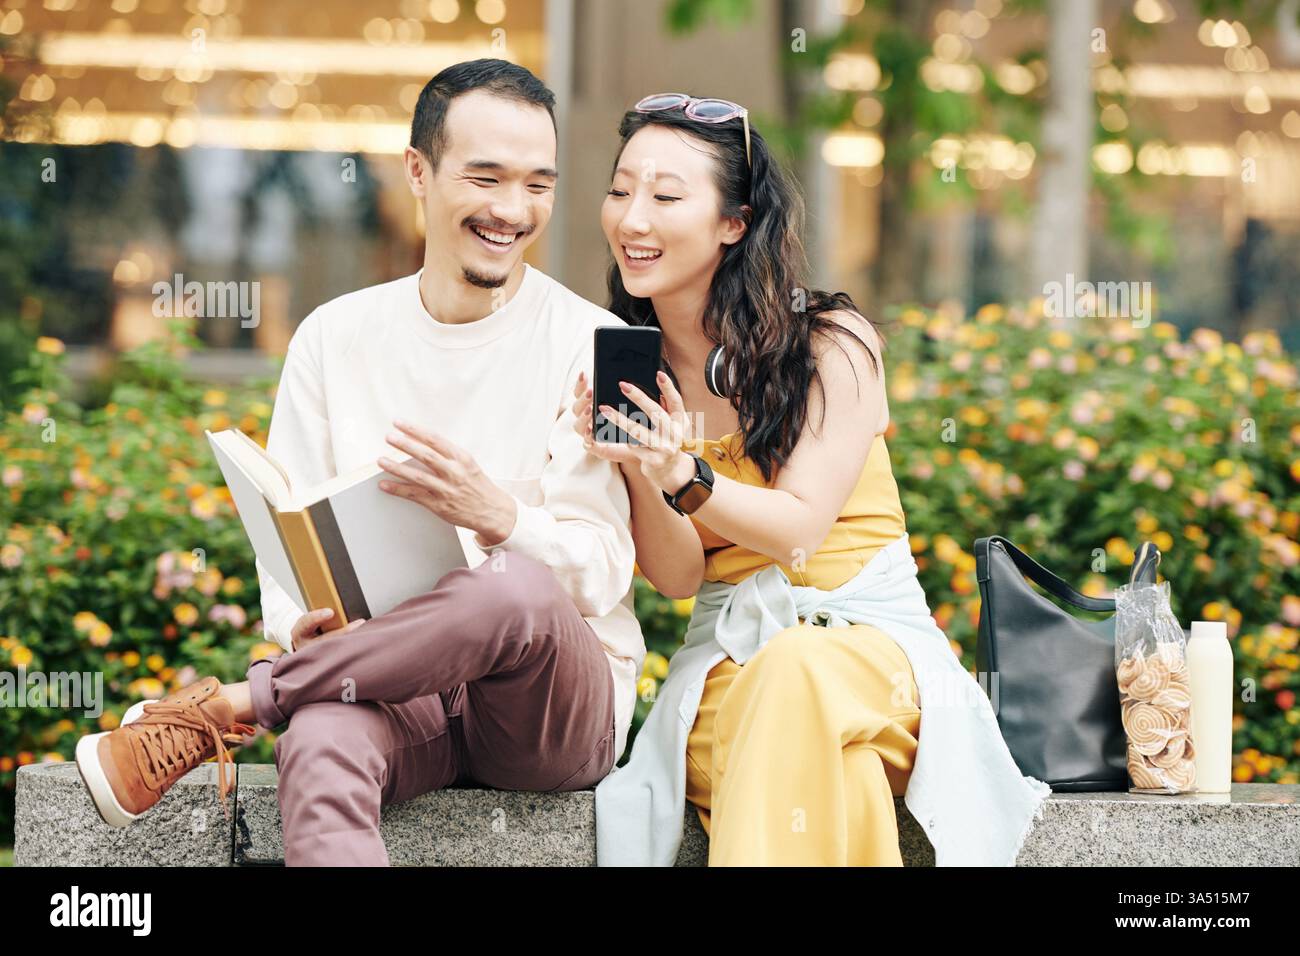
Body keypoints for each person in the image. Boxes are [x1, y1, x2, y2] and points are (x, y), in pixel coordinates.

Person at [73, 59, 645, 866]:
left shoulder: (590, 343)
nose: (512, 211)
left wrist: (496, 516)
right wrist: (294, 626)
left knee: (516, 584)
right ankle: (281, 702)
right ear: (418, 171)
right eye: (485, 178)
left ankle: (237, 705)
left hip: (545, 716)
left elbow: (600, 577)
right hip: (389, 687)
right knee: (321, 731)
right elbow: (289, 539)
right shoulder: (332, 338)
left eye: (538, 185)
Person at [577, 94, 1052, 866]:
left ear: (735, 221)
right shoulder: (636, 372)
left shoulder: (831, 345)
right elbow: (677, 575)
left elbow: (799, 531)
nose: (633, 218)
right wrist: (637, 465)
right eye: (620, 189)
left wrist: (684, 473)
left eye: (665, 196)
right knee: (838, 766)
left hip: (872, 657)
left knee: (798, 672)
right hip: (728, 672)